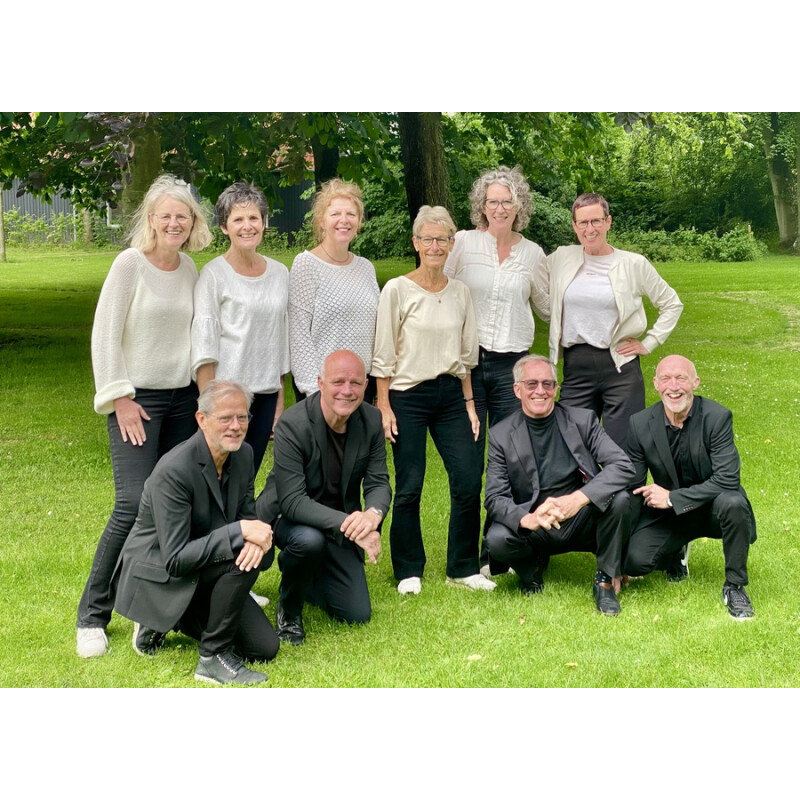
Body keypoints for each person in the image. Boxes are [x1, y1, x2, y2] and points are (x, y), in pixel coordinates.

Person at [76, 174, 212, 658]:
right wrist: (119, 397)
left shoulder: (190, 268)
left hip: (182, 402)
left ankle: (157, 607)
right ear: (151, 220)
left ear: (193, 222)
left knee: (174, 506)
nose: (174, 223)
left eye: (183, 216)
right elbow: (104, 335)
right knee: (133, 504)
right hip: (138, 401)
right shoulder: (129, 264)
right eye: (165, 216)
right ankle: (92, 616)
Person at [114, 380, 279, 685]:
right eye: (225, 418)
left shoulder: (243, 455)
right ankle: (211, 658)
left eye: (242, 417)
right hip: (163, 575)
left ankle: (172, 619)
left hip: (203, 563)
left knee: (264, 648)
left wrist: (254, 540)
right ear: (202, 420)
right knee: (240, 560)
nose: (236, 426)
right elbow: (175, 559)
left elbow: (246, 516)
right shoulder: (174, 471)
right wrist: (241, 532)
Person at [372, 205, 494, 595]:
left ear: (452, 243)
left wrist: (470, 405)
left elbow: (467, 355)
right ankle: (408, 569)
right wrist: (384, 405)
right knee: (410, 483)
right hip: (406, 395)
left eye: (442, 239)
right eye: (428, 239)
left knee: (468, 478)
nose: (435, 246)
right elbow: (383, 353)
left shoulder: (460, 292)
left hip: (452, 395)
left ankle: (463, 567)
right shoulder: (397, 289)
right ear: (416, 243)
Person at [444, 165, 549, 576]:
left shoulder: (533, 254)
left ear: (519, 205)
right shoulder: (463, 243)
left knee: (511, 462)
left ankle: (498, 551)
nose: (500, 208)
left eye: (507, 201)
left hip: (512, 369)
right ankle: (464, 560)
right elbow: (438, 290)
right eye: (493, 201)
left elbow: (548, 307)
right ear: (482, 206)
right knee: (468, 465)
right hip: (467, 366)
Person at [256, 350, 391, 645]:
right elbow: (293, 501)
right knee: (309, 541)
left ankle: (308, 577)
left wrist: (372, 516)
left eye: (355, 383)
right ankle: (289, 609)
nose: (347, 390)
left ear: (366, 386)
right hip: (288, 516)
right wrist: (353, 527)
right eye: (338, 382)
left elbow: (379, 482)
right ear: (320, 383)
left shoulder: (371, 419)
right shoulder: (293, 423)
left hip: (338, 519)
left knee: (356, 613)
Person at [484, 354, 634, 615]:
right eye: (531, 384)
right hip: (538, 523)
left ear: (556, 388)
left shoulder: (583, 420)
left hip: (581, 518)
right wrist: (528, 519)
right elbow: (495, 497)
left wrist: (578, 498)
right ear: (517, 390)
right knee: (497, 539)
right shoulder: (501, 434)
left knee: (619, 499)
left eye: (547, 384)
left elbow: (622, 465)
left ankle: (605, 580)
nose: (540, 391)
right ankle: (531, 571)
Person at [623, 354, 757, 619]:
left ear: (695, 382)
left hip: (713, 508)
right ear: (656, 384)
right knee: (634, 562)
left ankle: (735, 586)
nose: (674, 386)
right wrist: (614, 560)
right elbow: (632, 487)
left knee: (733, 501)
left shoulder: (717, 417)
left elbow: (728, 479)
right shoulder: (639, 424)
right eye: (666, 379)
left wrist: (673, 498)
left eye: (681, 378)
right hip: (669, 514)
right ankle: (676, 551)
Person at [546, 193, 683, 450]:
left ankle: (622, 480)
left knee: (623, 450)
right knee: (572, 446)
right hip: (577, 367)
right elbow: (531, 281)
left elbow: (672, 303)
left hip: (620, 368)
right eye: (583, 222)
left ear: (608, 222)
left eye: (596, 221)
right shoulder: (561, 258)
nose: (590, 229)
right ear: (574, 225)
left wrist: (650, 342)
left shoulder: (633, 263)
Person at [192, 181, 289, 476]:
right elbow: (204, 346)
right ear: (224, 227)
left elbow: (279, 339)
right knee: (219, 475)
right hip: (227, 398)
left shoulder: (280, 273)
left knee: (247, 476)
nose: (247, 226)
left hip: (266, 394)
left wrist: (279, 401)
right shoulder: (214, 275)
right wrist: (210, 407)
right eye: (238, 219)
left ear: (263, 222)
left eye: (253, 218)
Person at [289, 179, 379, 403]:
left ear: (359, 221)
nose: (344, 220)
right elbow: (298, 335)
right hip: (322, 389)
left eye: (351, 214)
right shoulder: (306, 264)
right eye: (335, 214)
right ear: (321, 220)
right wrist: (314, 393)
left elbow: (377, 331)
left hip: (361, 386)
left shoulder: (366, 268)